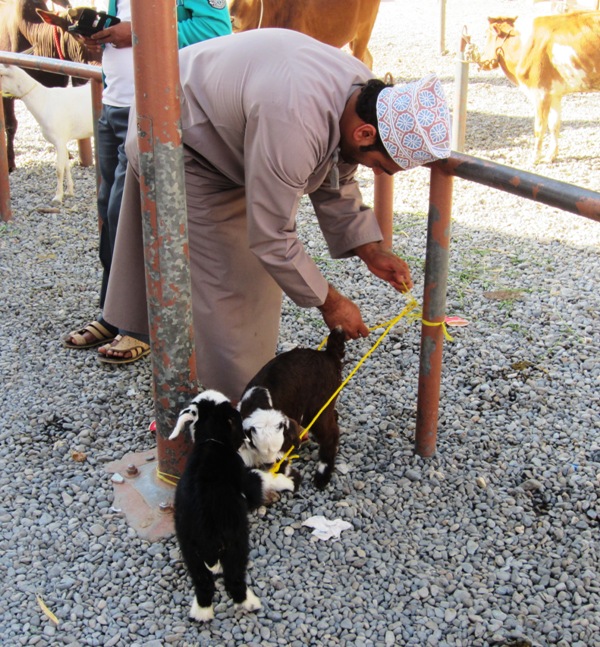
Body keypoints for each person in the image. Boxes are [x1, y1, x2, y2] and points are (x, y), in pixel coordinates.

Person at [103, 28, 452, 398]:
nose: (379, 174)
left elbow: (337, 172)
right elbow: (271, 236)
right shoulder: (295, 119)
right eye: (382, 165)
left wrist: (371, 249)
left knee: (247, 282)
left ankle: (223, 393)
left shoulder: (363, 94)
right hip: (179, 138)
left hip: (220, 131)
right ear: (366, 133)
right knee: (227, 288)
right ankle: (228, 416)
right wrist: (330, 303)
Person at [63, 0, 232, 357]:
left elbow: (217, 29)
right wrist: (99, 40)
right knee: (109, 214)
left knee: (131, 215)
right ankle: (114, 313)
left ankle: (138, 326)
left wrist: (138, 34)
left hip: (153, 106)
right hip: (115, 103)